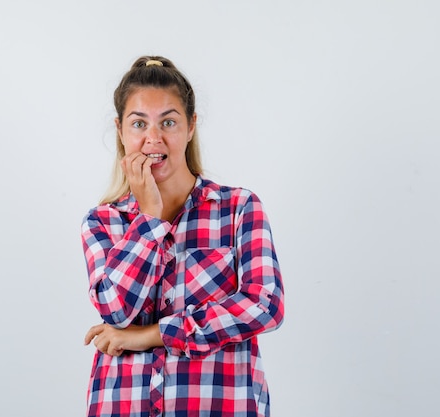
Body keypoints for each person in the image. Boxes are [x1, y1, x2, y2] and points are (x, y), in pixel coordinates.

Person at [81, 55, 284, 417]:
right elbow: (116, 311)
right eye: (138, 123)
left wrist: (153, 334)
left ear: (190, 127)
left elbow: (265, 305)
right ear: (120, 130)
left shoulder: (238, 209)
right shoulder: (103, 222)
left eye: (168, 122)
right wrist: (149, 219)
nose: (152, 139)